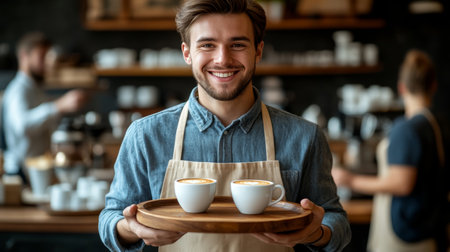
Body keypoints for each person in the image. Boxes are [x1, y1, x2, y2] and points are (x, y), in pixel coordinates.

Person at [99, 0, 351, 251]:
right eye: (207, 45)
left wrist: (316, 233)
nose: (223, 59)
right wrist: (133, 229)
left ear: (258, 51)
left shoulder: (304, 136)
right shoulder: (145, 135)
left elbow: (336, 220)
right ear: (187, 53)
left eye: (238, 44)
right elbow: (111, 218)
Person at [332, 50, 448, 252]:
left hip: (404, 234)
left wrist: (348, 180)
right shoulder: (436, 125)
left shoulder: (406, 128)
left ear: (401, 88)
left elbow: (401, 183)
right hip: (427, 228)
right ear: (433, 86)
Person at [1, 32, 88, 179]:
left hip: (36, 169)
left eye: (47, 57)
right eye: (41, 57)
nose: (47, 63)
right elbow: (22, 125)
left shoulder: (35, 89)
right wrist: (59, 106)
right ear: (24, 56)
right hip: (21, 172)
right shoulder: (19, 90)